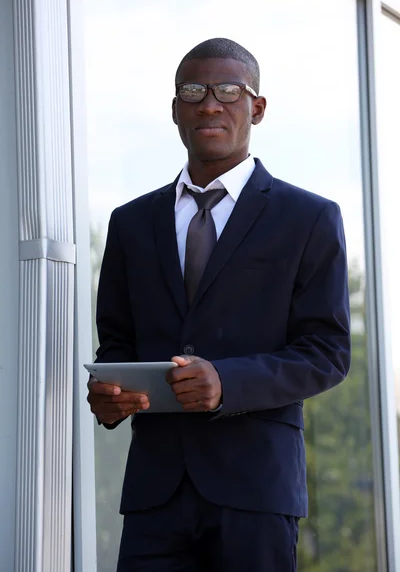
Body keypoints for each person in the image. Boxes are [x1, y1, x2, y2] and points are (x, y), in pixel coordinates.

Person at [87, 37, 351, 572]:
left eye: (229, 90)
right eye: (193, 90)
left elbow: (327, 353)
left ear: (256, 108)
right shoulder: (131, 222)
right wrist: (109, 398)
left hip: (256, 492)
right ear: (175, 110)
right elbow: (117, 340)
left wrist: (226, 383)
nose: (210, 102)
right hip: (153, 493)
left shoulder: (308, 217)